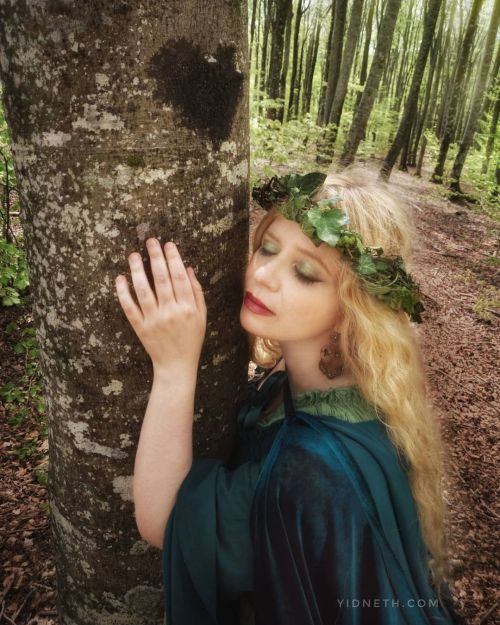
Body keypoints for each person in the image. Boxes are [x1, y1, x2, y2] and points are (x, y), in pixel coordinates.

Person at [115, 168, 462, 625]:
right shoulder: (323, 378)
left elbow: (165, 520)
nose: (262, 273)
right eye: (267, 247)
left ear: (352, 310)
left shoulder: (315, 466)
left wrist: (175, 366)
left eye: (305, 273)